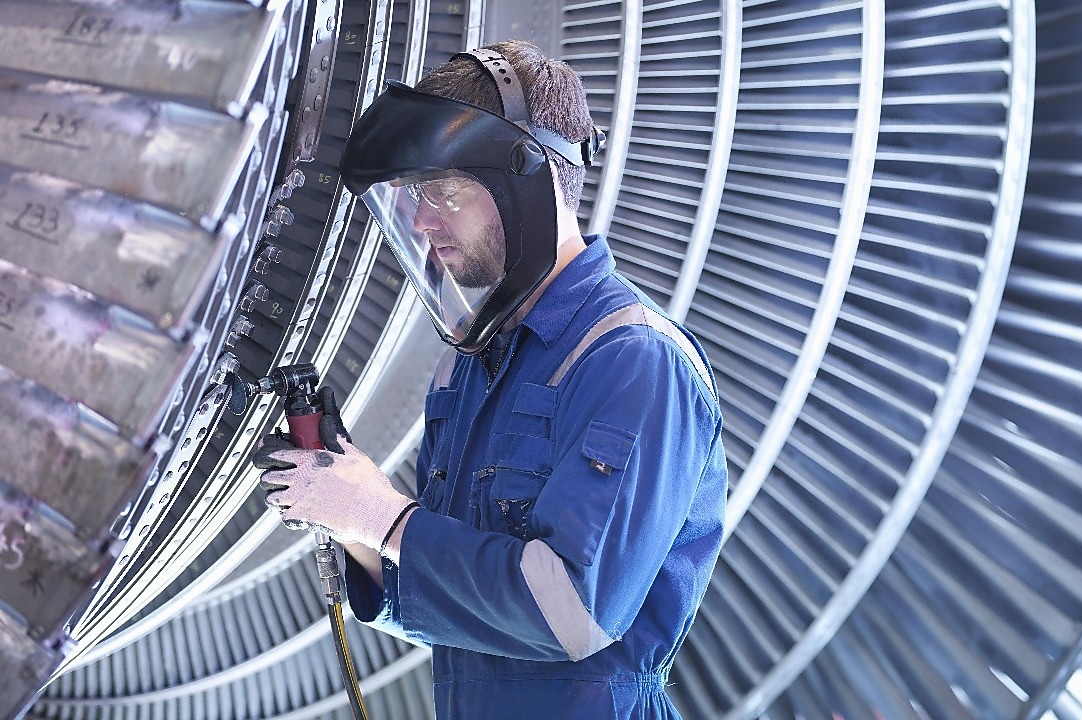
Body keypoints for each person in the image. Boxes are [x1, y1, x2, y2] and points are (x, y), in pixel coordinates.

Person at [252, 40, 727, 719]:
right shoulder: (476, 365)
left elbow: (569, 614)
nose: (420, 220)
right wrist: (348, 509)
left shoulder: (634, 364)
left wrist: (380, 516)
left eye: (443, 190)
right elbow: (463, 598)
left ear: (527, 184)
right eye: (418, 194)